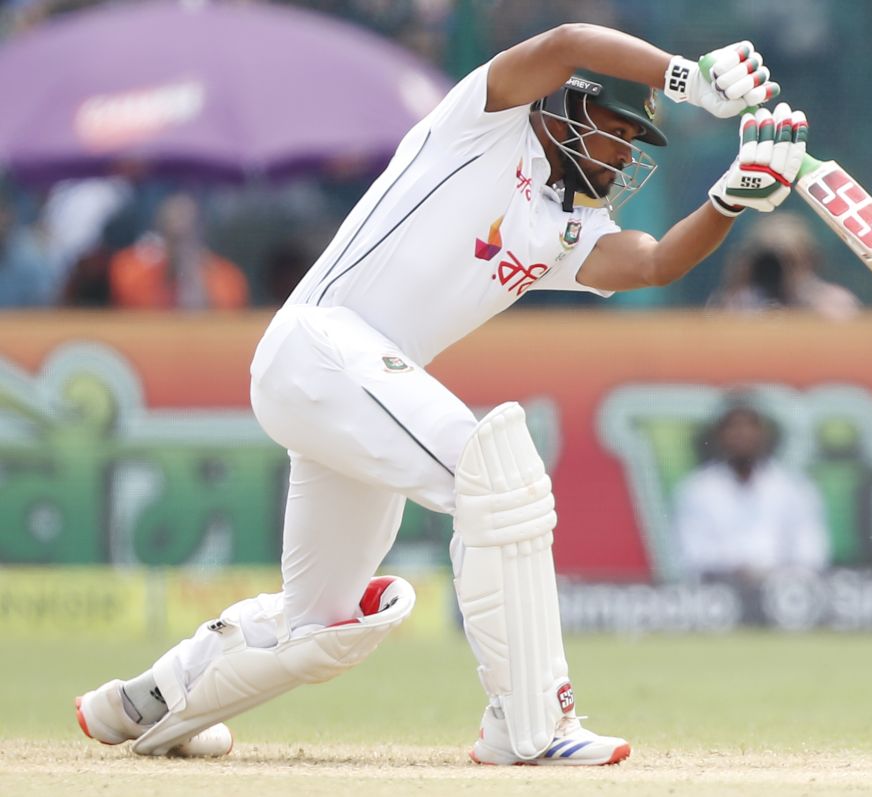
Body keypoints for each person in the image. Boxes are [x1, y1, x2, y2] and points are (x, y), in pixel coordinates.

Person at [74, 24, 805, 766]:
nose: (624, 158)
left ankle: (147, 699)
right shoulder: (482, 125)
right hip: (317, 346)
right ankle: (530, 726)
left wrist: (732, 196)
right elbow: (566, 41)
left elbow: (650, 264)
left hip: (357, 390)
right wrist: (687, 77)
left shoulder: (568, 227)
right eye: (618, 133)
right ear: (564, 112)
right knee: (494, 474)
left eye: (633, 145)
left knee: (322, 630)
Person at [674, 398, 831, 591]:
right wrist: (739, 572)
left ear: (763, 434)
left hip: (784, 598)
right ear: (719, 435)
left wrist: (770, 576)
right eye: (733, 427)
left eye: (750, 427)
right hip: (721, 598)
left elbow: (811, 555)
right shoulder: (697, 490)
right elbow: (693, 555)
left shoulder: (795, 488)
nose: (742, 435)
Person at [107, 192, 248, 310]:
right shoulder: (133, 269)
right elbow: (135, 309)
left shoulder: (227, 277)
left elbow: (223, 319)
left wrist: (193, 277)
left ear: (200, 234)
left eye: (187, 235)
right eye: (173, 237)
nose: (179, 247)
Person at [708, 213, 860, 320]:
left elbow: (844, 327)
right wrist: (735, 285)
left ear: (808, 259)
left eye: (788, 259)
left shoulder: (832, 301)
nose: (775, 267)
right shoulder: (738, 303)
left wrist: (801, 298)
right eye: (768, 259)